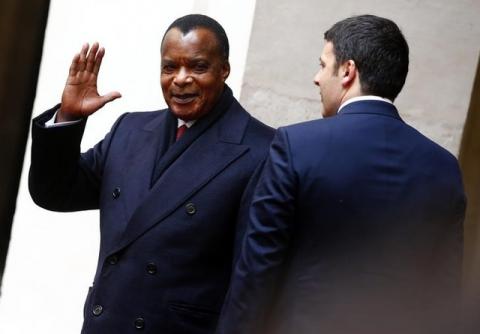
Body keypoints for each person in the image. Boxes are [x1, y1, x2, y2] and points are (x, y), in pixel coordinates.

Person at [216, 14, 466, 334]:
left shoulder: (296, 146)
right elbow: (445, 292)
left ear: (348, 71)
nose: (317, 78)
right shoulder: (444, 167)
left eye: (322, 64)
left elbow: (256, 271)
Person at [29, 14, 274, 333]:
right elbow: (56, 192)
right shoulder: (130, 130)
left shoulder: (261, 150)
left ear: (223, 70)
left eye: (198, 67)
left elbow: (255, 281)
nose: (181, 79)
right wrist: (69, 117)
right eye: (170, 67)